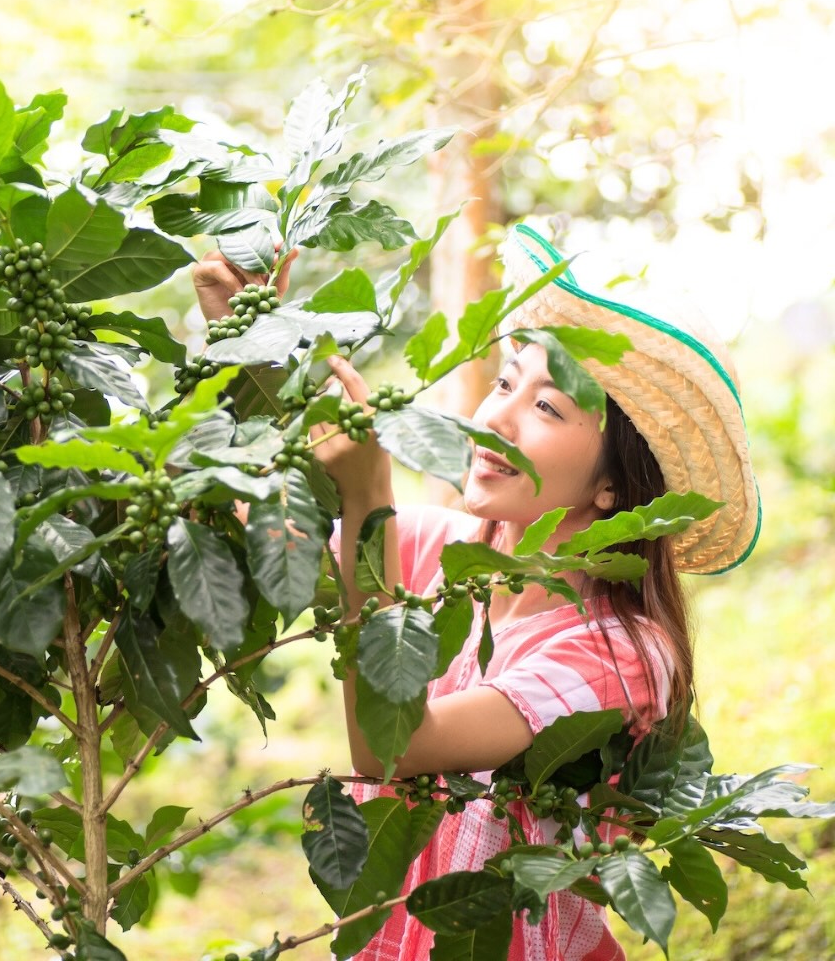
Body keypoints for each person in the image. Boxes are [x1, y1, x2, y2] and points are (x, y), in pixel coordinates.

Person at [193, 223, 761, 961]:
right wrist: (252, 351)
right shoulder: (439, 549)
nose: (495, 419)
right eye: (504, 383)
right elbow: (258, 523)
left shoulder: (620, 656)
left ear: (615, 485)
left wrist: (368, 493)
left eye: (547, 407)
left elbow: (394, 747)